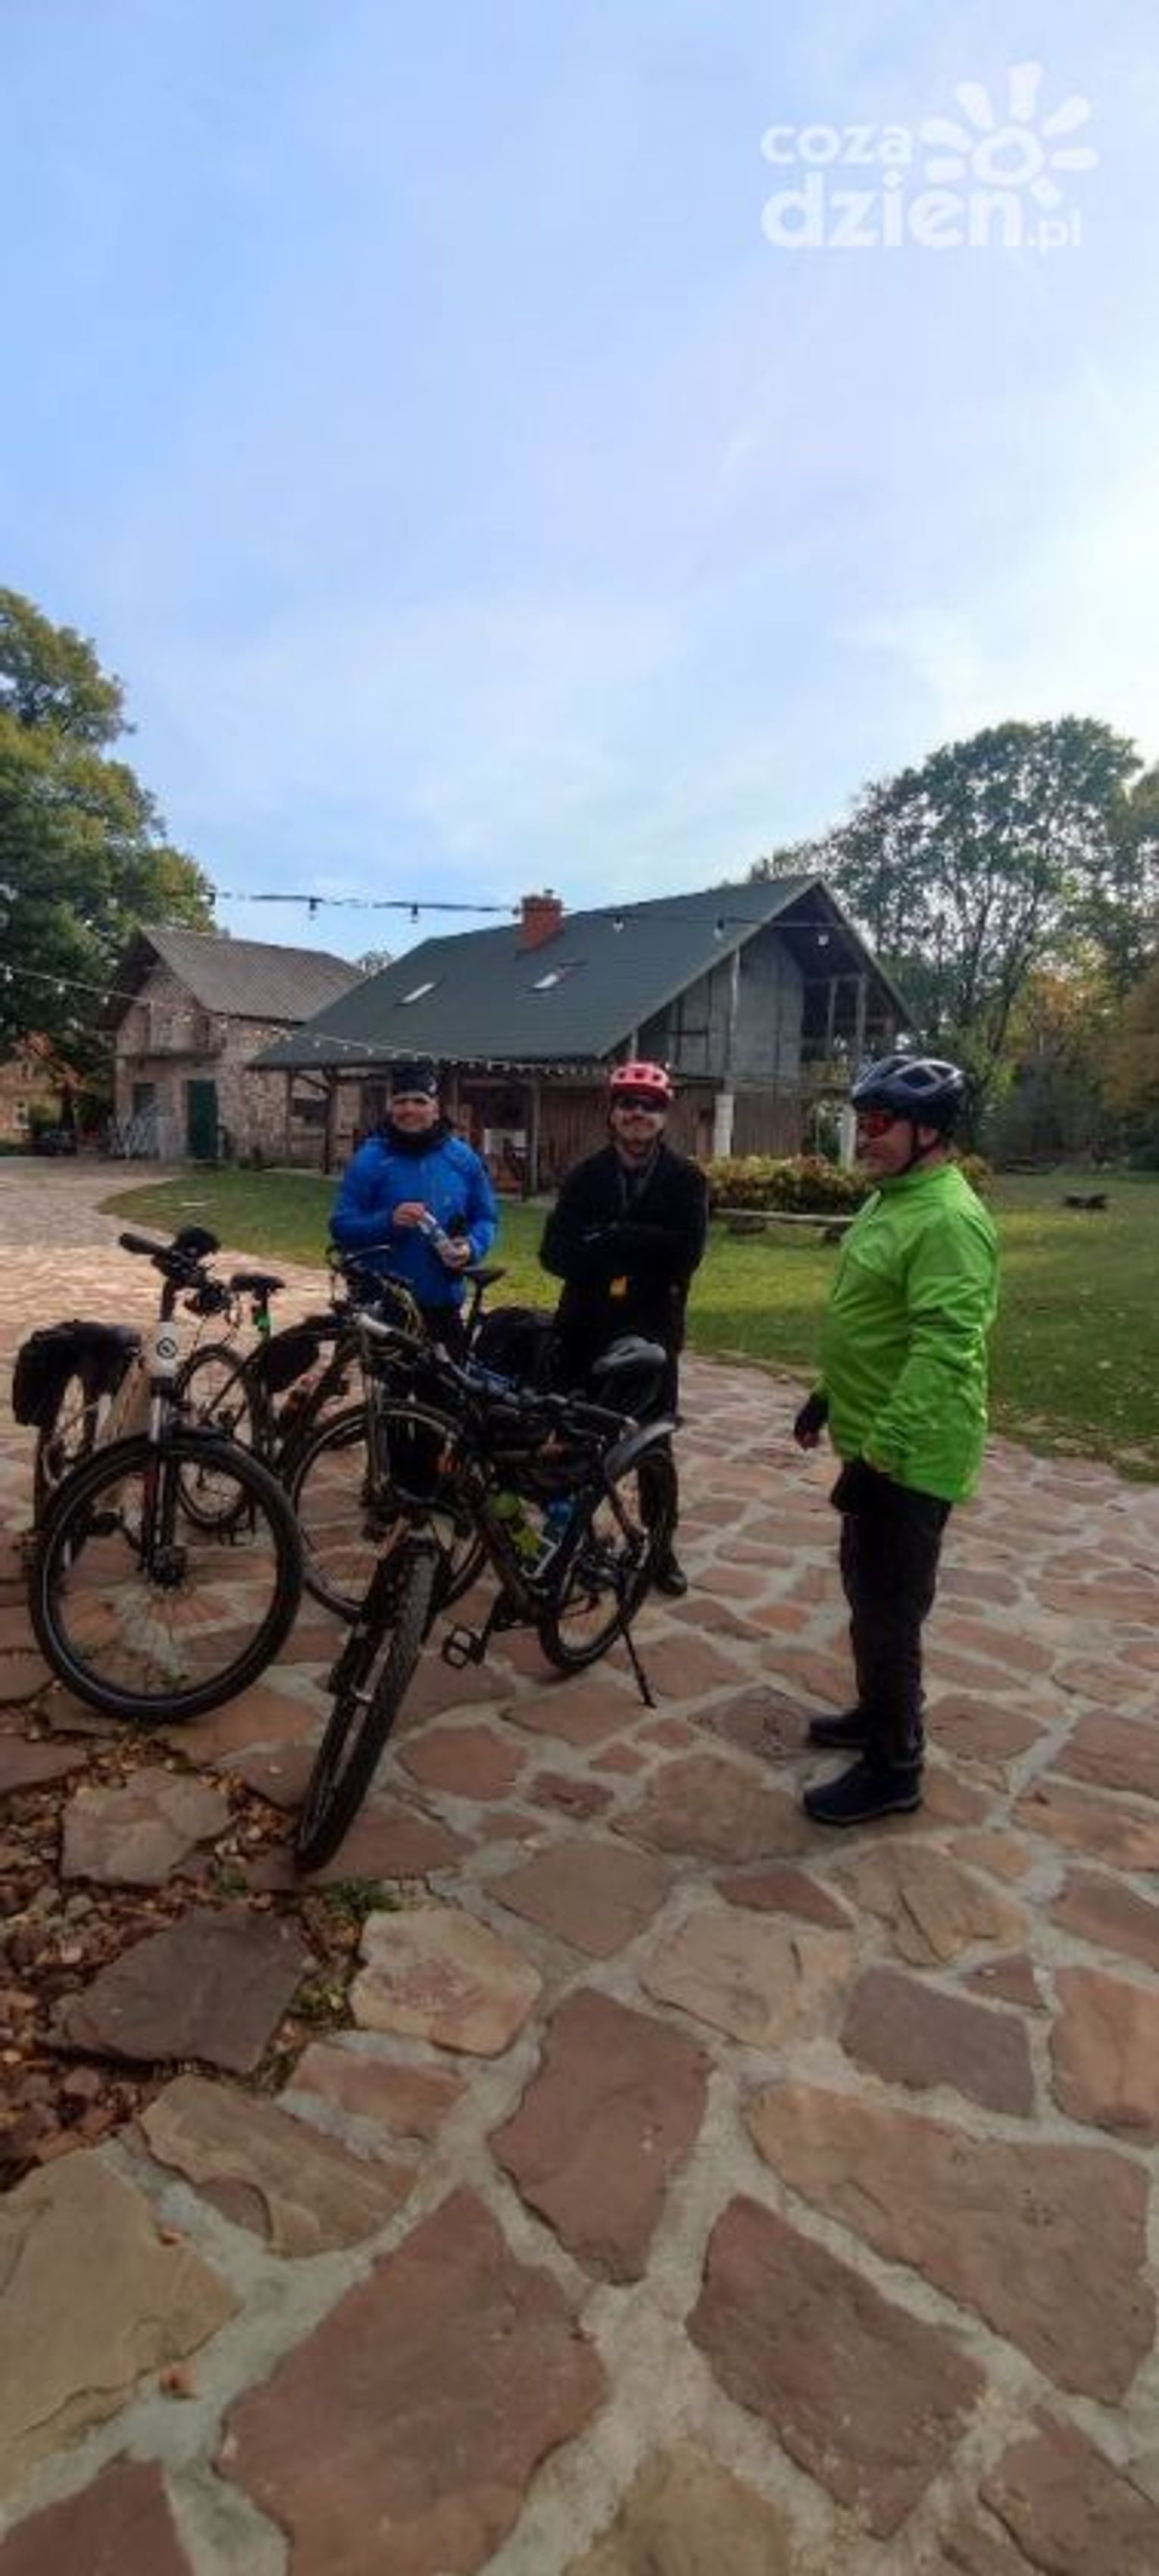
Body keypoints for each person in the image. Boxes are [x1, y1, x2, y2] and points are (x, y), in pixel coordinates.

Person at [793, 1053, 998, 1827]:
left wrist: (880, 1456)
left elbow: (946, 1350)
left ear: (929, 1131)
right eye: (861, 1120)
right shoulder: (892, 1199)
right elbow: (873, 1321)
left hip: (911, 1455)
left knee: (890, 1609)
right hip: (874, 1438)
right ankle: (875, 1712)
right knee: (864, 1587)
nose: (866, 1136)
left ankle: (896, 1765)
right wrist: (827, 1395)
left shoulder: (948, 1220)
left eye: (879, 1122)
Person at [539, 1060, 708, 1596]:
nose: (638, 1113)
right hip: (584, 1329)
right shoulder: (585, 1176)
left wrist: (614, 1237)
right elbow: (553, 1253)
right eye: (627, 1104)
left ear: (664, 1116)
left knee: (654, 1448)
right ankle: (567, 1539)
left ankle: (660, 1548)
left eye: (650, 1106)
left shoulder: (686, 1180)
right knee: (573, 1438)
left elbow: (686, 1255)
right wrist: (633, 1250)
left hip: (652, 1335)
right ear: (611, 1113)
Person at [330, 1058, 497, 1353]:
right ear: (390, 1108)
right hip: (385, 1304)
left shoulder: (463, 1158)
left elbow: (486, 1218)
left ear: (436, 1108)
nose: (409, 1109)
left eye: (419, 1101)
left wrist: (471, 1247)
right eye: (401, 1101)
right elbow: (341, 1226)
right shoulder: (370, 1158)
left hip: (441, 1302)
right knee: (390, 1385)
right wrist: (388, 1221)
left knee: (448, 1383)